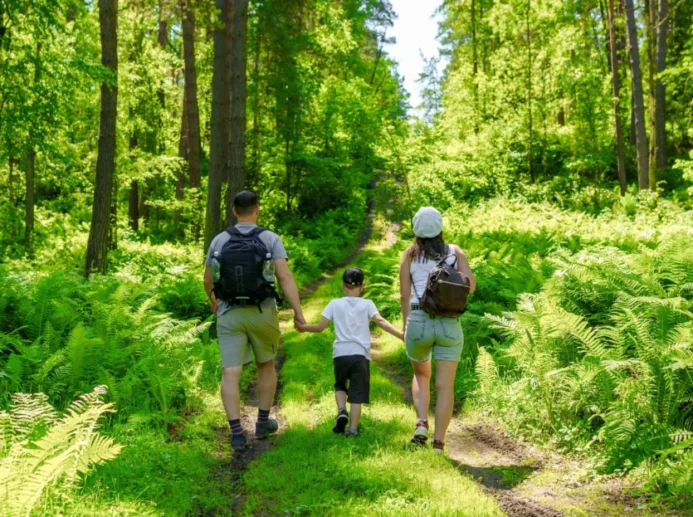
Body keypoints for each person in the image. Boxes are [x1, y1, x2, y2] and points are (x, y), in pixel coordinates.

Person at [203, 190, 306, 451]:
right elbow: (283, 277)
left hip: (229, 312)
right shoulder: (270, 238)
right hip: (263, 311)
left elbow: (208, 279)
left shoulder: (219, 240)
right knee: (266, 365)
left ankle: (236, 432)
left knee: (230, 372)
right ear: (257, 209)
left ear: (234, 210)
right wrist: (298, 311)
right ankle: (262, 422)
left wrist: (215, 303)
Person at [399, 206, 476, 454]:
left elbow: (404, 295)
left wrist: (405, 325)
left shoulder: (409, 255)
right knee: (445, 386)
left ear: (416, 230)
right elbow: (471, 286)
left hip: (419, 321)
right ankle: (439, 444)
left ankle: (422, 423)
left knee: (421, 375)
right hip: (449, 324)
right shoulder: (455, 252)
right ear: (440, 228)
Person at [297, 267, 404, 436]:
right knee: (356, 394)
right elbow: (381, 321)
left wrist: (303, 327)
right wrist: (400, 335)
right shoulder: (367, 304)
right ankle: (353, 429)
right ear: (362, 287)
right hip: (360, 356)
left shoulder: (334, 303)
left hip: (340, 354)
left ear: (342, 285)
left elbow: (319, 327)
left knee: (340, 385)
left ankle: (341, 410)